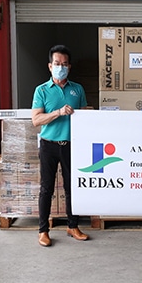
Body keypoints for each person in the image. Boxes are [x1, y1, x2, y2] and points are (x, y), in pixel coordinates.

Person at [31, 45, 90, 247]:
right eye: (57, 64)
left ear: (69, 67)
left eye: (64, 64)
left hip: (71, 145)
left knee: (71, 187)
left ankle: (73, 225)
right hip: (48, 145)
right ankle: (43, 230)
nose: (61, 67)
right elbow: (36, 120)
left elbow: (84, 116)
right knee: (46, 188)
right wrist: (58, 112)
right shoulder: (41, 90)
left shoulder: (77, 89)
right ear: (50, 66)